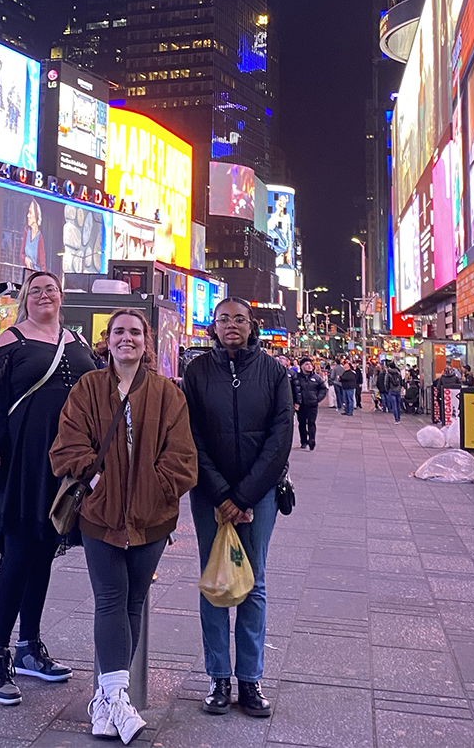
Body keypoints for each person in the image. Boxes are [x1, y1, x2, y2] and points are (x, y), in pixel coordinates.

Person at [49, 309, 199, 744]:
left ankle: (106, 700)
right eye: (119, 332)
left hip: (152, 519)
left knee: (133, 601)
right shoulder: (89, 387)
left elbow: (183, 456)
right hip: (100, 514)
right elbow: (67, 443)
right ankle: (116, 696)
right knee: (110, 599)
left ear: (146, 341)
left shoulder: (169, 394)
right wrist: (95, 482)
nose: (127, 339)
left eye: (135, 332)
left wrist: (157, 487)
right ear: (107, 340)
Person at [0, 271, 94, 705]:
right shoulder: (10, 340)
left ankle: (28, 647)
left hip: (63, 466)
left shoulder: (76, 341)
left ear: (61, 297)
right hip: (23, 463)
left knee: (43, 553)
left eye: (51, 289)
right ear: (26, 299)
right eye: (36, 290)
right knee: (19, 556)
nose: (44, 295)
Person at [181, 297, 292, 718]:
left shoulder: (274, 372)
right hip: (209, 494)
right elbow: (191, 437)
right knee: (214, 581)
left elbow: (281, 437)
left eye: (239, 319)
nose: (231, 325)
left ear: (252, 325)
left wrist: (244, 497)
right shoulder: (197, 372)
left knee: (254, 583)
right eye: (223, 318)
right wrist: (222, 494)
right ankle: (218, 677)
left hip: (258, 495)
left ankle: (250, 679)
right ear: (213, 326)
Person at [290, 360, 327, 450]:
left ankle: (312, 440)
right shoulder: (297, 378)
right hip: (301, 405)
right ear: (302, 367)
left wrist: (317, 398)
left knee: (311, 423)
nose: (309, 366)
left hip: (312, 404)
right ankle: (303, 441)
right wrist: (295, 401)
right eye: (306, 364)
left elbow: (323, 389)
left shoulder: (316, 378)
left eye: (310, 364)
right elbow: (293, 389)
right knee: (302, 423)